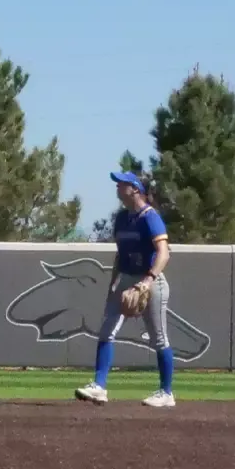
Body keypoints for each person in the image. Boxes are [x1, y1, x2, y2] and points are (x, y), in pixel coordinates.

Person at [75, 170, 176, 408]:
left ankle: (166, 392)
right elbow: (120, 255)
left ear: (135, 189)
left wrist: (148, 280)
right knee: (106, 330)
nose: (118, 187)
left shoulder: (150, 217)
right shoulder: (121, 218)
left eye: (122, 184)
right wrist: (114, 283)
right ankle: (99, 387)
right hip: (126, 278)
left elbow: (164, 253)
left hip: (151, 281)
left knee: (159, 338)